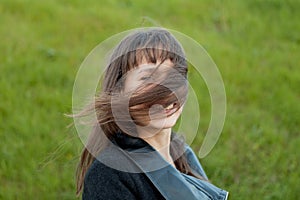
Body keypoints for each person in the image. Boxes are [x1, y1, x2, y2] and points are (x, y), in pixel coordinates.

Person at [74, 28, 229, 200]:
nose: (165, 90)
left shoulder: (183, 153)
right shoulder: (110, 172)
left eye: (171, 76)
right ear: (119, 91)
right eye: (147, 78)